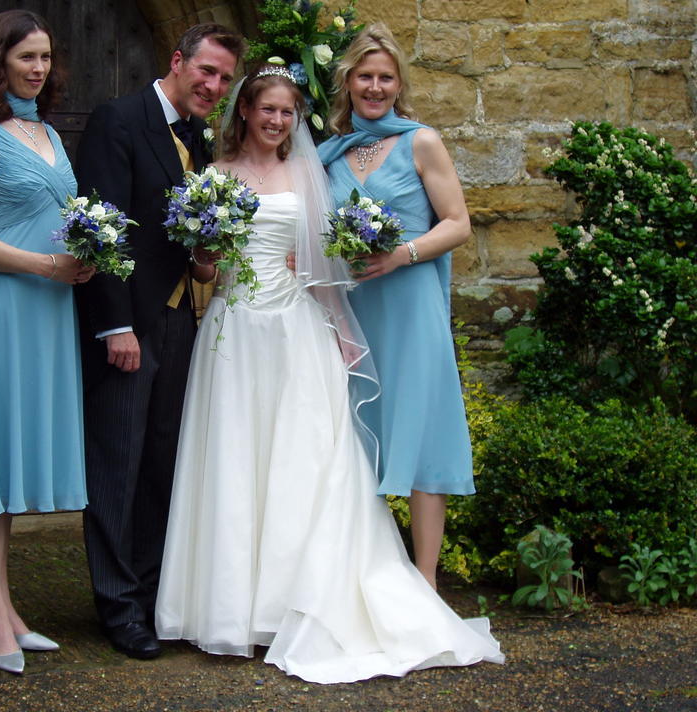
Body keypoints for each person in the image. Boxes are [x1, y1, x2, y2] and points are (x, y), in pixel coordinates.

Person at [155, 64, 503, 683]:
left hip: (294, 328)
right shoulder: (214, 177)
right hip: (233, 333)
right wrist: (204, 249)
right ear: (244, 112)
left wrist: (343, 337)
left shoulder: (310, 173)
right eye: (267, 110)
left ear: (297, 119)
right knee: (234, 461)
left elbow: (323, 266)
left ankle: (294, 603)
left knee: (303, 462)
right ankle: (232, 609)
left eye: (288, 112)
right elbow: (205, 273)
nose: (276, 121)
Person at [74, 23, 245, 660]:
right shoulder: (118, 120)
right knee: (117, 463)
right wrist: (115, 325)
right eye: (206, 71)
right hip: (131, 323)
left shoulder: (200, 140)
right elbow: (105, 225)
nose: (214, 86)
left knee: (162, 462)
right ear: (177, 61)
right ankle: (116, 605)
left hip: (182, 321)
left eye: (225, 79)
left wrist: (205, 257)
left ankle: (151, 594)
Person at [0, 10, 94, 675]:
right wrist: (43, 266)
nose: (38, 68)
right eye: (25, 57)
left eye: (44, 57)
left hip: (50, 312)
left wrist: (87, 256)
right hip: (6, 309)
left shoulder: (48, 132)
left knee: (18, 454)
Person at [318, 23, 474, 590]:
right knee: (359, 433)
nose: (375, 86)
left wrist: (402, 255)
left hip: (409, 305)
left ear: (399, 83)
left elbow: (458, 224)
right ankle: (367, 573)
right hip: (354, 309)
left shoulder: (421, 142)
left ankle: (425, 578)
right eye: (365, 76)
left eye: (385, 77)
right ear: (348, 82)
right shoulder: (329, 155)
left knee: (419, 429)